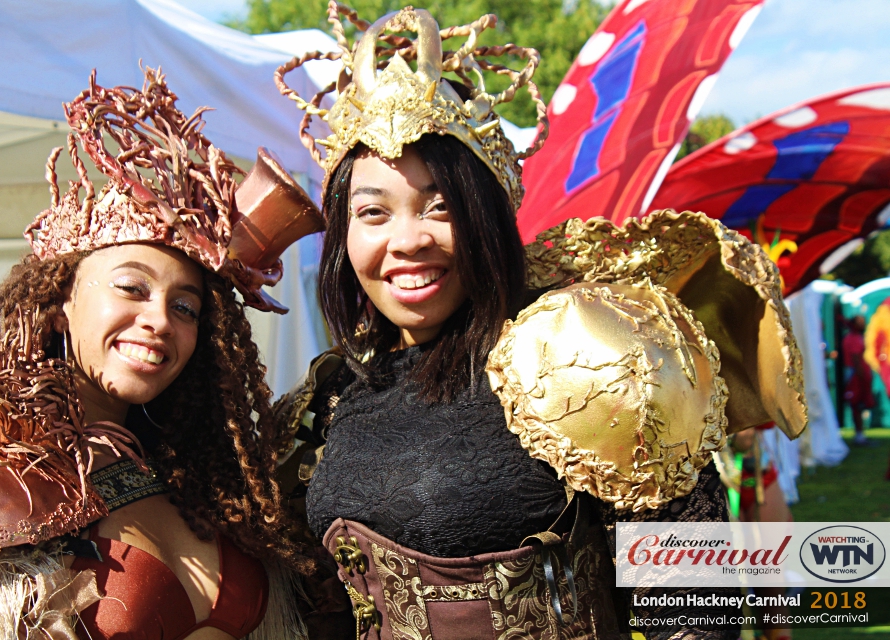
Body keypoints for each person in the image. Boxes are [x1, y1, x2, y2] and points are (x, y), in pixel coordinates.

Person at [273, 3, 807, 639]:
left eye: (439, 206)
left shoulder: (592, 357)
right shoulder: (327, 400)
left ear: (488, 220)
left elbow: (693, 612)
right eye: (373, 213)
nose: (408, 240)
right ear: (344, 236)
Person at [0, 69, 322, 639]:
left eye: (185, 307)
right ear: (60, 302)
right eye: (131, 288)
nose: (159, 320)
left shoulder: (202, 477)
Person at [843, 315, 875, 445]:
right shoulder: (854, 339)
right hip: (857, 375)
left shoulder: (854, 338)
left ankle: (860, 433)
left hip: (858, 374)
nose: (863, 324)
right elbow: (856, 359)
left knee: (859, 404)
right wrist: (862, 376)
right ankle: (859, 435)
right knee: (857, 403)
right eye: (860, 322)